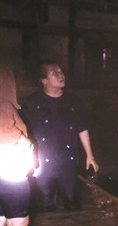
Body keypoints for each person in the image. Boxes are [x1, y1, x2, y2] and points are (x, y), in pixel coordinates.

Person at [20, 60, 98, 212]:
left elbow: (82, 128)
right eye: (54, 73)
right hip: (42, 162)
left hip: (68, 160)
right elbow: (24, 131)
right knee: (45, 207)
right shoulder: (31, 102)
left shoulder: (73, 101)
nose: (60, 75)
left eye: (61, 72)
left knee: (72, 204)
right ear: (44, 80)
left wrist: (90, 155)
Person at [0, 64, 36, 226]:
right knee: (17, 223)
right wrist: (26, 142)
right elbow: (4, 132)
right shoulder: (4, 103)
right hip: (10, 173)